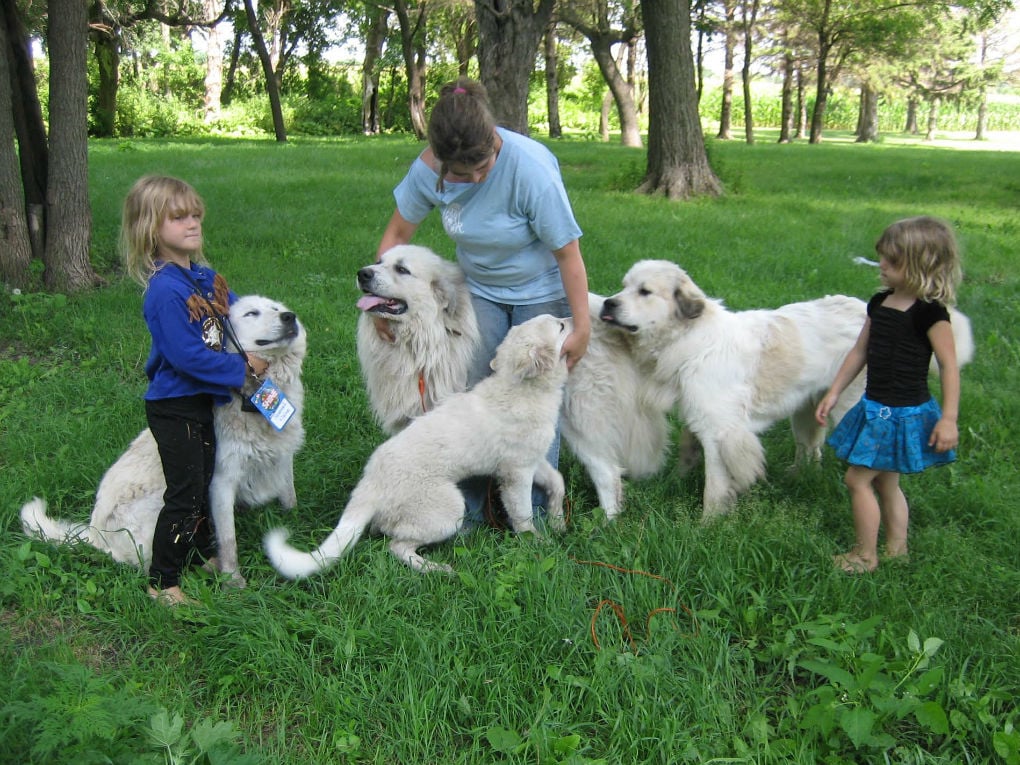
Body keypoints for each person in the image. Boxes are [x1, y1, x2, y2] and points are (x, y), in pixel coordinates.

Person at [376, 77, 591, 524]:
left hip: (541, 290)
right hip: (482, 289)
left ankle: (529, 510)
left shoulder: (530, 170)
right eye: (459, 173)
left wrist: (581, 326)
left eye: (482, 165)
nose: (473, 178)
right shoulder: (428, 170)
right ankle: (470, 507)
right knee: (474, 394)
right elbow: (397, 234)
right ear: (439, 160)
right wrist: (383, 301)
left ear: (494, 139)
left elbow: (568, 254)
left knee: (533, 395)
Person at [121, 175, 268, 605]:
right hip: (175, 406)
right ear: (151, 228)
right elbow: (187, 357)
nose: (192, 223)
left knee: (205, 481)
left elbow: (236, 315)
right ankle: (163, 581)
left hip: (203, 402)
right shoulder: (164, 291)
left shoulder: (204, 277)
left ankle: (204, 553)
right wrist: (241, 368)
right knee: (185, 493)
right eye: (179, 217)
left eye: (195, 215)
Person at [815, 216, 963, 574]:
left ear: (920, 267)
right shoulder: (880, 303)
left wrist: (948, 418)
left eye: (893, 262)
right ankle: (898, 549)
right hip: (876, 405)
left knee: (857, 479)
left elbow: (948, 365)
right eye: (883, 257)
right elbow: (859, 351)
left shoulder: (930, 314)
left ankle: (865, 556)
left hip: (903, 413)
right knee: (886, 480)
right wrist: (834, 391)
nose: (882, 266)